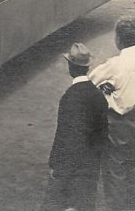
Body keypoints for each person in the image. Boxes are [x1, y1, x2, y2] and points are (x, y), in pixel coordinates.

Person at [88, 16, 135, 211]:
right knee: (131, 163)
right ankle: (133, 205)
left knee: (114, 170)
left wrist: (107, 89)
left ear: (118, 39)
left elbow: (91, 79)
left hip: (116, 121)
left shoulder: (116, 63)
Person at [42, 43, 108, 211]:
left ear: (70, 67)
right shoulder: (99, 96)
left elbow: (64, 134)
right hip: (90, 164)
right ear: (87, 67)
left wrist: (55, 163)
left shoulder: (69, 97)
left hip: (69, 164)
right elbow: (102, 134)